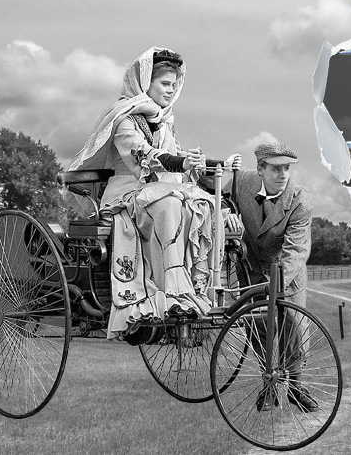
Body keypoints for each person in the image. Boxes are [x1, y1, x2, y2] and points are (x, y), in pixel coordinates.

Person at [66, 47, 239, 342]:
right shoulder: (124, 120)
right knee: (171, 204)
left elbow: (178, 156)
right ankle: (170, 293)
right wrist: (180, 162)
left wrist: (216, 164)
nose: (170, 91)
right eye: (164, 84)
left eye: (174, 85)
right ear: (145, 83)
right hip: (128, 193)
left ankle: (201, 287)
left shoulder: (164, 122)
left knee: (204, 205)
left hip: (160, 190)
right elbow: (144, 156)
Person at [223, 141, 317, 412]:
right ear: (260, 169)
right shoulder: (243, 182)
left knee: (293, 327)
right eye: (276, 169)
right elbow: (215, 193)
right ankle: (270, 385)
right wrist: (226, 212)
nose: (283, 175)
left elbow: (296, 250)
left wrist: (274, 286)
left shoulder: (300, 200)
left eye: (287, 168)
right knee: (259, 327)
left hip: (286, 271)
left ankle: (297, 386)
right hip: (251, 267)